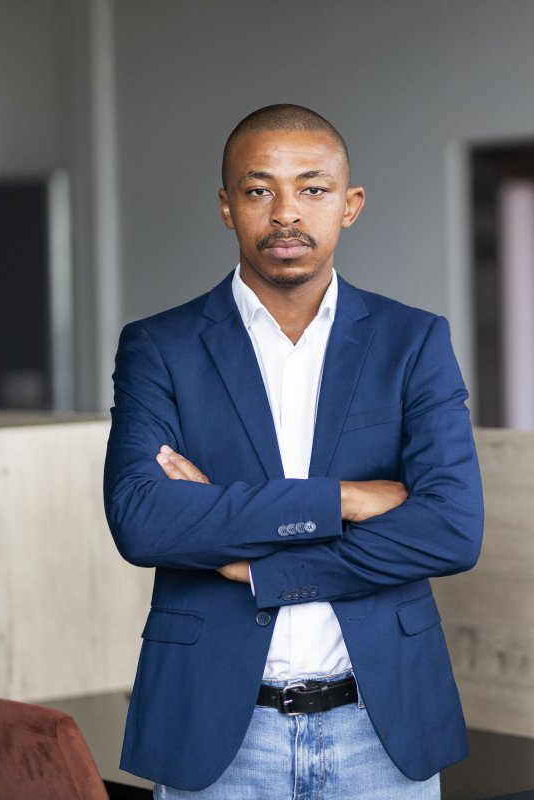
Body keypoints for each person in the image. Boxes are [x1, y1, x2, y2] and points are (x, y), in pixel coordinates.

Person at [103, 104, 484, 799]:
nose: (286, 213)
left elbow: (453, 531)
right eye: (259, 190)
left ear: (350, 205)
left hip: (381, 728)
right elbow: (143, 519)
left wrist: (256, 567)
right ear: (226, 207)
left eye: (312, 188)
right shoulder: (160, 347)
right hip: (216, 730)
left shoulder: (413, 342)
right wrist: (345, 497)